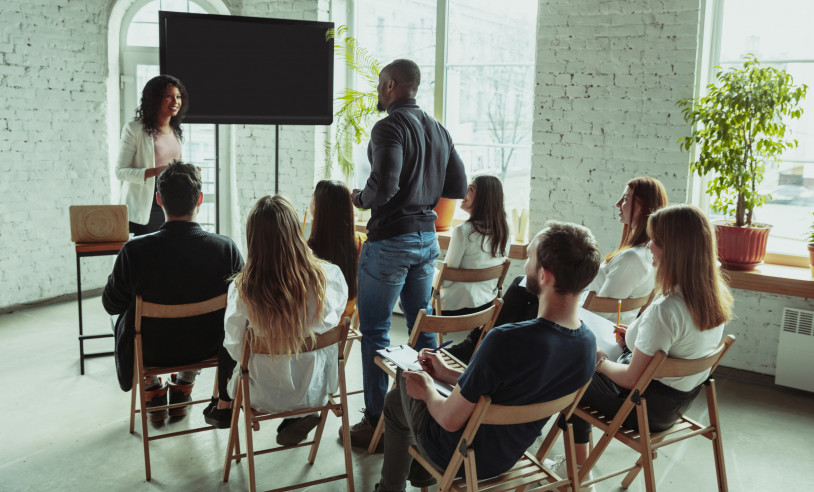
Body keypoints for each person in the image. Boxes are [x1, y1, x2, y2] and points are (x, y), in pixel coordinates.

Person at [373, 222, 600, 492]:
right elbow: (509, 392)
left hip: (460, 455)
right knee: (410, 393)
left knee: (400, 393)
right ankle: (420, 478)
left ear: (545, 276)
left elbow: (448, 419)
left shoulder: (505, 340)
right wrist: (447, 374)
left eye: (529, 258)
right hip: (507, 457)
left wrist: (428, 390)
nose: (525, 265)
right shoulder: (587, 346)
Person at [564, 204, 733, 481]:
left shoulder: (667, 308)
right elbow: (678, 343)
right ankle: (580, 466)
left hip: (641, 410)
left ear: (675, 251)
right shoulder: (714, 298)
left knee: (571, 370)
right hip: (675, 406)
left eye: (656, 241)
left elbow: (631, 379)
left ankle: (578, 470)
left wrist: (600, 362)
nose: (650, 246)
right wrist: (634, 335)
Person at [347, 58, 468, 447]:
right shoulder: (438, 129)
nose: (378, 92)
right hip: (426, 240)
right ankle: (427, 417)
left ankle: (376, 424)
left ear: (392, 85)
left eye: (381, 85)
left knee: (376, 332)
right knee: (423, 330)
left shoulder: (389, 126)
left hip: (390, 243)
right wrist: (425, 205)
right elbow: (460, 183)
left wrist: (358, 198)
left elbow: (383, 187)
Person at [467, 177, 668, 363]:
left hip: (598, 338)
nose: (617, 204)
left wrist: (566, 299)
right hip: (596, 328)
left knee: (523, 287)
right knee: (524, 286)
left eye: (625, 199)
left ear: (643, 206)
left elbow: (598, 312)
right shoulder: (644, 254)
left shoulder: (633, 258)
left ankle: (478, 347)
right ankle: (482, 347)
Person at [203, 196, 348, 447]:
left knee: (228, 342)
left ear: (253, 240)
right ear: (296, 233)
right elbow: (330, 323)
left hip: (260, 394)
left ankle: (223, 404)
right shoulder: (329, 278)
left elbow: (236, 349)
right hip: (316, 389)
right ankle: (302, 413)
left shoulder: (243, 290)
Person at [102, 162, 243, 421]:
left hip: (151, 350)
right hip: (209, 346)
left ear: (159, 200)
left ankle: (151, 387)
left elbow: (111, 304)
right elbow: (243, 305)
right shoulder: (226, 249)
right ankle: (184, 385)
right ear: (199, 199)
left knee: (119, 316)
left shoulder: (133, 251)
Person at [440, 175, 510, 362]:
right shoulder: (504, 230)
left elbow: (445, 281)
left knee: (418, 294)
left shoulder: (463, 232)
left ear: (484, 198)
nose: (464, 192)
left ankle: (422, 354)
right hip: (486, 306)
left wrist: (433, 273)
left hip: (456, 308)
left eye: (470, 189)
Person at [115, 75, 188, 236]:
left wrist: (187, 170)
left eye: (178, 97)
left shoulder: (176, 130)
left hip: (172, 202)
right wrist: (156, 171)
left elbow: (175, 166)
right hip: (144, 206)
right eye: (169, 96)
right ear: (155, 99)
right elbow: (120, 172)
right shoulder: (134, 129)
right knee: (147, 256)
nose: (175, 102)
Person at [308, 180, 366, 320]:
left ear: (318, 208)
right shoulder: (361, 243)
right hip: (344, 321)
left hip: (317, 326)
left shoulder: (307, 250)